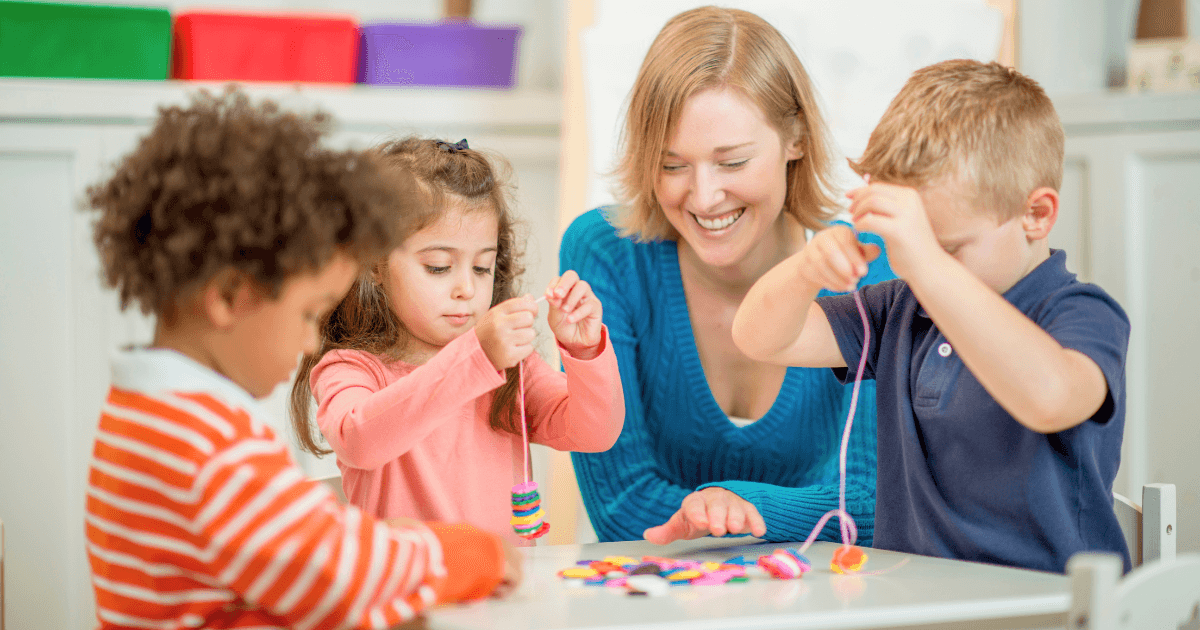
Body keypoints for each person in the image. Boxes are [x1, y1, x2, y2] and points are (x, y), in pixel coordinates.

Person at [84, 91, 520, 629]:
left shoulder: (140, 413)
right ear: (229, 298)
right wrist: (471, 554)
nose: (313, 343)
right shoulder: (210, 448)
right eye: (310, 314)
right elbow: (341, 573)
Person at [733, 59, 1131, 573]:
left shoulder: (1082, 313)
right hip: (921, 601)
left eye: (945, 248)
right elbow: (759, 338)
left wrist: (925, 260)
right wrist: (806, 269)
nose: (918, 268)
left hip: (1052, 608)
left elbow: (1050, 398)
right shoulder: (902, 307)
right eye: (910, 249)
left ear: (1037, 215)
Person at [560, 6, 894, 545]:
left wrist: (737, 509)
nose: (704, 195)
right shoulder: (605, 252)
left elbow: (879, 503)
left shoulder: (870, 265)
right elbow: (621, 505)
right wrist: (773, 516)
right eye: (672, 165)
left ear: (797, 139)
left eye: (732, 162)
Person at [291, 137, 624, 546]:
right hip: (412, 594)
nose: (466, 287)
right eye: (439, 267)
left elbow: (596, 434)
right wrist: (475, 358)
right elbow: (359, 441)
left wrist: (585, 350)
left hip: (505, 592)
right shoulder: (351, 368)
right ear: (375, 265)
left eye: (482, 267)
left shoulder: (510, 367)